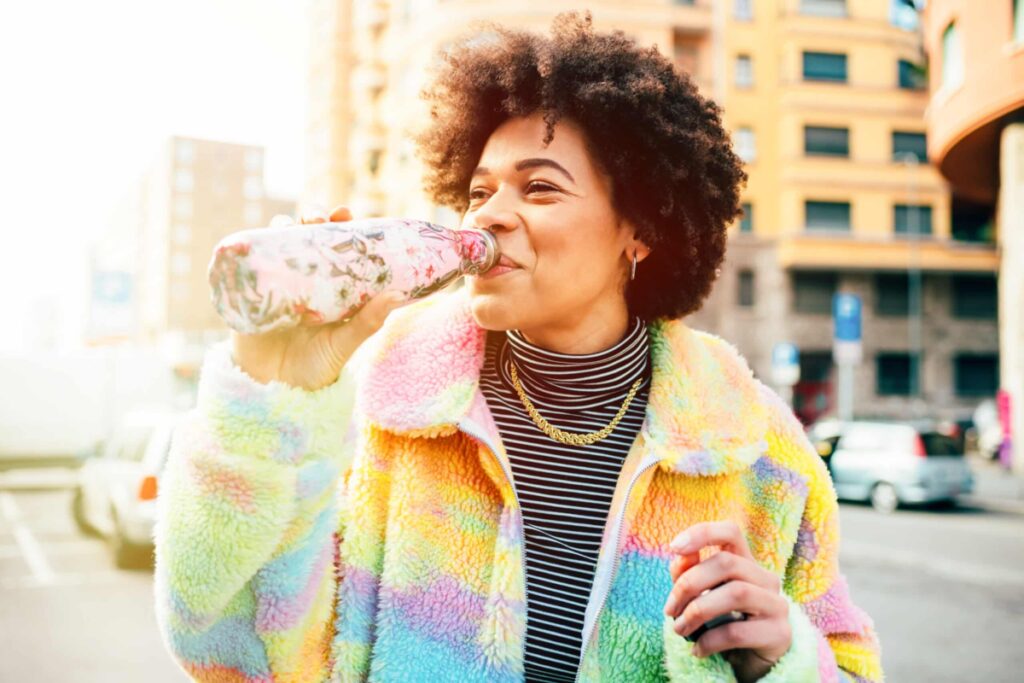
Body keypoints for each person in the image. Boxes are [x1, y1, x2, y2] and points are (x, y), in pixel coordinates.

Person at [155, 13, 883, 683]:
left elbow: (849, 666)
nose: (491, 214)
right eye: (478, 191)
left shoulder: (757, 449)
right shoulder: (377, 405)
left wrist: (784, 654)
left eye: (539, 189)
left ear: (641, 228)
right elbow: (230, 652)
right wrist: (270, 388)